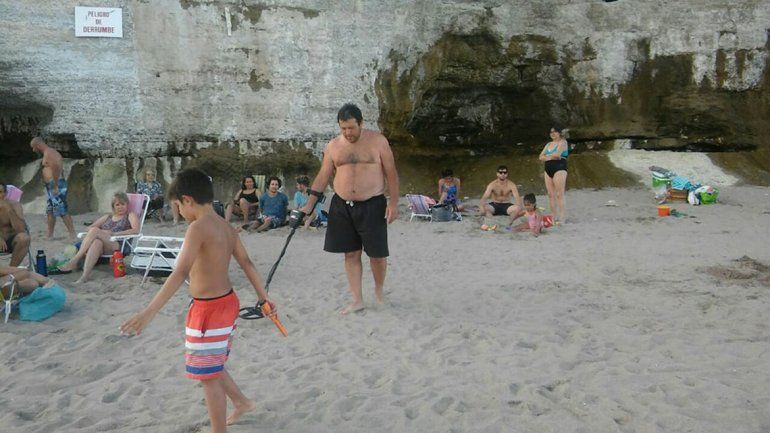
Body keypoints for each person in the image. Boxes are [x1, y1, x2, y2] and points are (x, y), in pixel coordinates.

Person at [120, 168, 273, 433]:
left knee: (207, 376)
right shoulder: (226, 226)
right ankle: (241, 402)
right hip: (227, 303)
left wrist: (149, 312)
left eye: (178, 206)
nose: (180, 212)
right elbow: (246, 263)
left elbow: (180, 272)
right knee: (212, 363)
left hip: (209, 310)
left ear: (187, 200)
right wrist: (264, 297)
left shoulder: (197, 228)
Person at [298, 103, 399, 315]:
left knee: (377, 255)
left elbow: (391, 173)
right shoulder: (333, 146)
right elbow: (323, 175)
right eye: (343, 128)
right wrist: (309, 205)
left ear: (361, 123)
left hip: (372, 204)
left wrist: (393, 204)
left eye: (351, 128)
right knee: (351, 254)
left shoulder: (378, 141)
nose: (348, 133)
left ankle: (379, 293)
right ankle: (357, 299)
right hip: (342, 205)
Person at [57, 192, 140, 283]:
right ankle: (84, 276)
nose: (120, 207)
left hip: (118, 244)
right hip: (104, 244)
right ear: (113, 206)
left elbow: (135, 230)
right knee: (97, 242)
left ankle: (75, 260)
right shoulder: (108, 217)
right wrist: (102, 233)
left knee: (95, 231)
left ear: (127, 205)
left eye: (123, 204)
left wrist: (114, 234)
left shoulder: (130, 215)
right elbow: (88, 228)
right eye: (117, 205)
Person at [29, 137, 76, 239]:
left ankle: (72, 234)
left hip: (56, 184)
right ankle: (49, 235)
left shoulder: (49, 153)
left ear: (38, 145)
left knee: (62, 209)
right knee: (50, 210)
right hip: (52, 185)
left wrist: (55, 184)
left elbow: (56, 167)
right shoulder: (48, 153)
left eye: (33, 147)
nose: (33, 150)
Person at [538, 126, 569, 222]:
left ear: (559, 133)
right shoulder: (548, 144)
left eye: (555, 131)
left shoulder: (563, 142)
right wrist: (550, 157)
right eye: (551, 132)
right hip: (548, 169)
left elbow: (557, 155)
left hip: (559, 167)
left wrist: (547, 156)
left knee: (559, 194)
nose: (553, 133)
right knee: (550, 194)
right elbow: (540, 156)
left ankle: (562, 217)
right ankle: (553, 215)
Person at [0, 183, 30, 267]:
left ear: (5, 194)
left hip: (11, 241)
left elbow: (21, 230)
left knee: (24, 238)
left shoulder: (15, 205)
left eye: (0, 192)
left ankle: (11, 270)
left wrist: (9, 209)